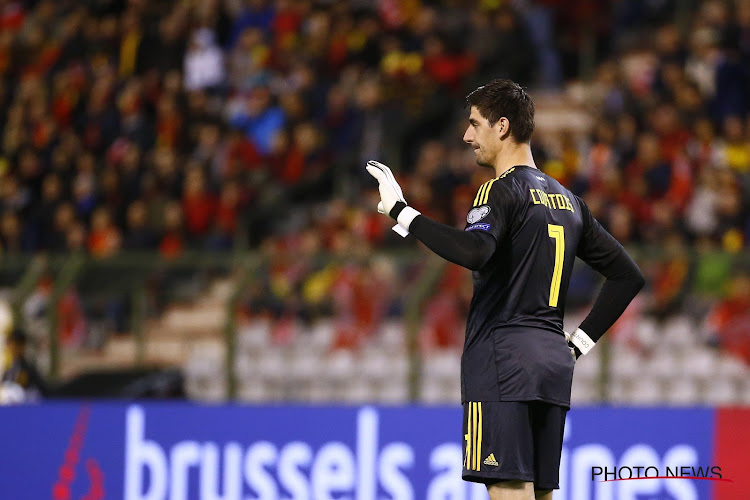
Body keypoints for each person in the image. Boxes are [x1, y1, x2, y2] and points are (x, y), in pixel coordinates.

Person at [366, 79, 644, 500]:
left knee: (509, 491)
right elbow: (628, 275)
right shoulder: (569, 200)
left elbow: (476, 251)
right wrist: (577, 344)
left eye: (474, 124)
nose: (466, 136)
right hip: (552, 364)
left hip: (502, 361)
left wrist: (403, 212)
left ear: (501, 126)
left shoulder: (500, 189)